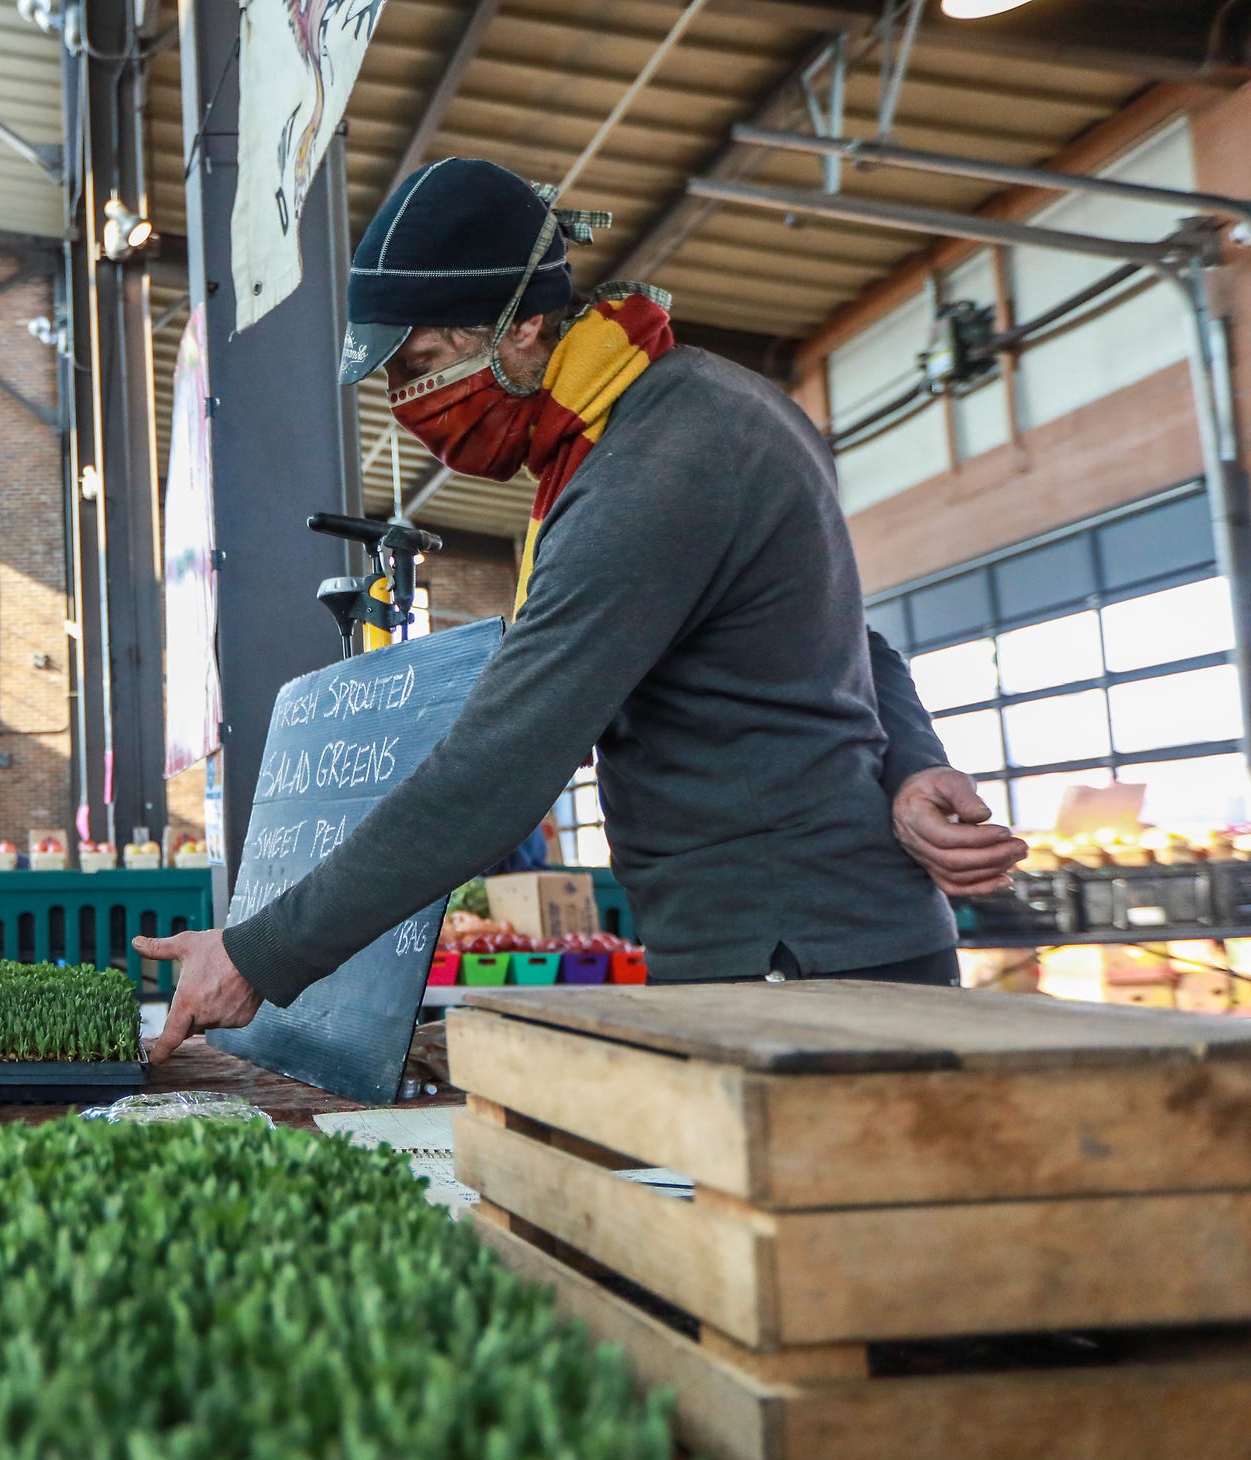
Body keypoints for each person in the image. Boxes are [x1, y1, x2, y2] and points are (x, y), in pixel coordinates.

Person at [139, 158, 1025, 1060]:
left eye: (423, 364)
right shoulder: (697, 411)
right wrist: (916, 765)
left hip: (799, 961)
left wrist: (257, 955)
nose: (408, 401)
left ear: (523, 327)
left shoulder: (654, 469)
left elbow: (501, 766)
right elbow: (854, 642)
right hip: (798, 942)